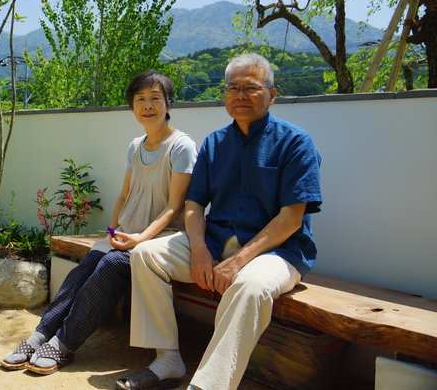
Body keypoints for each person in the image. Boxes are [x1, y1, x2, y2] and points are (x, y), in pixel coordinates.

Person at [118, 53, 322, 390]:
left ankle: (206, 386)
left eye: (251, 88)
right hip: (215, 243)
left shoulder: (295, 142)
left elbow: (291, 218)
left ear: (272, 95)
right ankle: (167, 359)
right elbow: (194, 204)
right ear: (225, 95)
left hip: (278, 253)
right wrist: (199, 249)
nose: (240, 95)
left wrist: (239, 261)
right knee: (146, 255)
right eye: (233, 88)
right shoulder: (215, 143)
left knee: (250, 285)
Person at [0, 70, 198, 375]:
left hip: (160, 238)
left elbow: (175, 206)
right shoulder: (135, 145)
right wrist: (112, 231)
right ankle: (40, 335)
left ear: (168, 103)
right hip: (127, 233)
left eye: (155, 98)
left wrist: (140, 239)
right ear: (132, 105)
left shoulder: (182, 146)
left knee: (111, 266)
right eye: (140, 99)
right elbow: (124, 194)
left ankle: (64, 343)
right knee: (84, 268)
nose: (147, 105)